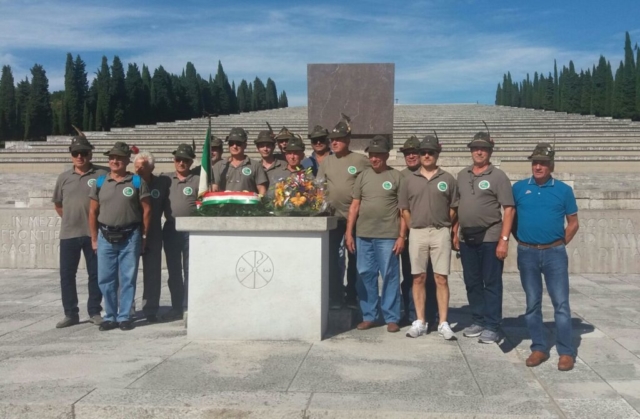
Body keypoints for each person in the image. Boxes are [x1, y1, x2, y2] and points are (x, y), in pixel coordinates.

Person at [513, 143, 579, 372]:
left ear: (551, 165)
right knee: (532, 303)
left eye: (542, 163)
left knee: (561, 304)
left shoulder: (563, 190)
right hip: (527, 252)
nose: (538, 166)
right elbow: (511, 220)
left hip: (554, 254)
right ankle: (539, 347)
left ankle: (566, 352)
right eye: (535, 162)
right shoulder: (520, 188)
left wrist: (559, 244)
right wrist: (523, 240)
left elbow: (573, 223)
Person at [453, 131, 515, 344]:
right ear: (471, 151)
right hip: (466, 236)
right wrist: (455, 232)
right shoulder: (462, 175)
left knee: (491, 282)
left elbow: (508, 209)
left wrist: (504, 240)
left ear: (490, 151)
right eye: (475, 148)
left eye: (483, 149)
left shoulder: (498, 177)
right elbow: (458, 205)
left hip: (490, 236)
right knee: (472, 281)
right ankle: (478, 319)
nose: (479, 152)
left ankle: (492, 325)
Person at [398, 135, 458, 340]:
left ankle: (443, 322)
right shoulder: (408, 180)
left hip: (440, 231)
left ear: (436, 154)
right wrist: (413, 225)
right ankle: (420, 321)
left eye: (430, 152)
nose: (426, 156)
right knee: (418, 277)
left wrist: (443, 222)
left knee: (441, 277)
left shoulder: (447, 179)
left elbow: (453, 207)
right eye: (423, 152)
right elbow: (404, 208)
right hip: (418, 232)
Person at [89, 141, 151, 331]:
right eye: (112, 158)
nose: (115, 161)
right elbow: (92, 212)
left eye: (119, 158)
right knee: (105, 279)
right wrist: (93, 238)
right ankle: (110, 315)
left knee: (127, 277)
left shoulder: (136, 182)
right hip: (105, 235)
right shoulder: (100, 182)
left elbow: (147, 210)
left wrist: (144, 236)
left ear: (127, 160)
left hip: (130, 235)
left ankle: (125, 316)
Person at [345, 136, 405, 333]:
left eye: (378, 155)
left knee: (389, 276)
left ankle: (392, 317)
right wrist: (349, 233)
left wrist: (401, 236)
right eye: (371, 155)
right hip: (364, 235)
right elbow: (355, 206)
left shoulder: (396, 177)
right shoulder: (362, 176)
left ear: (386, 155)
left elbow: (403, 210)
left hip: (388, 235)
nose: (374, 159)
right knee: (364, 275)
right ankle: (369, 315)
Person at [52, 129, 107, 328]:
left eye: (83, 153)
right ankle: (71, 313)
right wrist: (69, 219)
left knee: (96, 273)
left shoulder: (102, 174)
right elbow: (58, 204)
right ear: (71, 155)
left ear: (90, 154)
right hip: (69, 234)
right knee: (67, 274)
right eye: (76, 153)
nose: (80, 156)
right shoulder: (64, 177)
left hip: (94, 233)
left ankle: (94, 311)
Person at [317, 115, 370, 308]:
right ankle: (335, 295)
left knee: (355, 259)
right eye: (332, 140)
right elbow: (319, 187)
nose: (334, 142)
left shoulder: (360, 160)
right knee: (331, 259)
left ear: (348, 140)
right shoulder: (327, 162)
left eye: (338, 139)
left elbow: (370, 183)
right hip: (332, 218)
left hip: (355, 218)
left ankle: (352, 296)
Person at [398, 136, 438, 328]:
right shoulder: (402, 177)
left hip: (431, 233)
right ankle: (411, 313)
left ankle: (431, 314)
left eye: (415, 152)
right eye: (408, 153)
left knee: (430, 276)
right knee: (410, 276)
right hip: (410, 235)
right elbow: (401, 208)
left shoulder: (433, 175)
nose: (412, 156)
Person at [161, 144, 200, 322]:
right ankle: (176, 305)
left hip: (191, 230)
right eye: (178, 159)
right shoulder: (165, 180)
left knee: (190, 269)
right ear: (173, 160)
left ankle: (188, 305)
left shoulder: (199, 180)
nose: (181, 163)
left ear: (192, 162)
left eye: (185, 160)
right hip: (171, 228)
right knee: (174, 270)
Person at [133, 151, 170, 323]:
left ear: (152, 167)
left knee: (153, 273)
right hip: (131, 232)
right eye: (137, 166)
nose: (139, 169)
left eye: (144, 166)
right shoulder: (130, 182)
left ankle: (151, 309)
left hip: (153, 232)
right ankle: (128, 309)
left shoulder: (161, 184)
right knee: (127, 273)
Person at [211, 128, 268, 195]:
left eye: (238, 143)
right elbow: (214, 189)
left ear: (245, 145)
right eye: (231, 143)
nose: (234, 146)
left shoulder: (255, 165)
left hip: (248, 204)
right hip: (225, 204)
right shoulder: (218, 166)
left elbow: (262, 190)